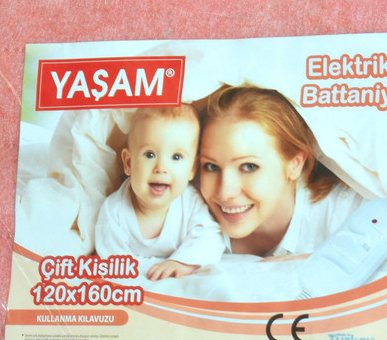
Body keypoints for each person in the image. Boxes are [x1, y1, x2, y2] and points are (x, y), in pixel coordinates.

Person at [198, 85, 362, 257]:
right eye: (212, 167)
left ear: (295, 164)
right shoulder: (188, 207)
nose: (225, 193)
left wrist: (312, 261)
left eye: (249, 166)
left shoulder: (344, 213)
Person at [95, 104, 226, 280]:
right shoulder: (114, 212)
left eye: (176, 157)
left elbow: (211, 238)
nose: (161, 167)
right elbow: (113, 262)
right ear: (128, 163)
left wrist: (181, 263)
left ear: (192, 169)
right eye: (150, 154)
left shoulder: (191, 203)